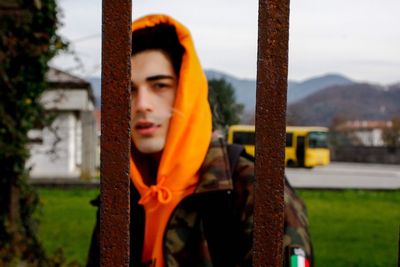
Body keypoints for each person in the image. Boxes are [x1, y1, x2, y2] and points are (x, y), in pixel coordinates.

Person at [87, 14, 313, 267]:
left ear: (187, 92)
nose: (141, 105)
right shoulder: (122, 190)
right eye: (129, 89)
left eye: (160, 86)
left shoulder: (250, 186)